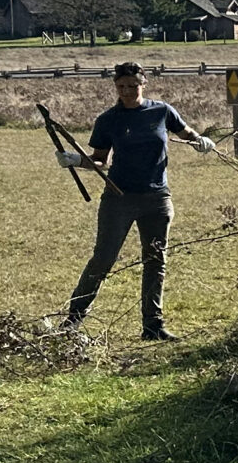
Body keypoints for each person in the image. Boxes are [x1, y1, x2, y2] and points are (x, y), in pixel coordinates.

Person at [63, 62, 217, 341]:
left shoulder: (161, 111)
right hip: (119, 198)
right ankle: (72, 320)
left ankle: (152, 326)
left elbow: (186, 133)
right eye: (121, 87)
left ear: (143, 84)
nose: (127, 91)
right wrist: (76, 160)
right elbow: (101, 160)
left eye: (132, 86)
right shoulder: (109, 119)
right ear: (115, 87)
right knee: (103, 259)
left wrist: (201, 141)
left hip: (157, 197)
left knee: (155, 259)